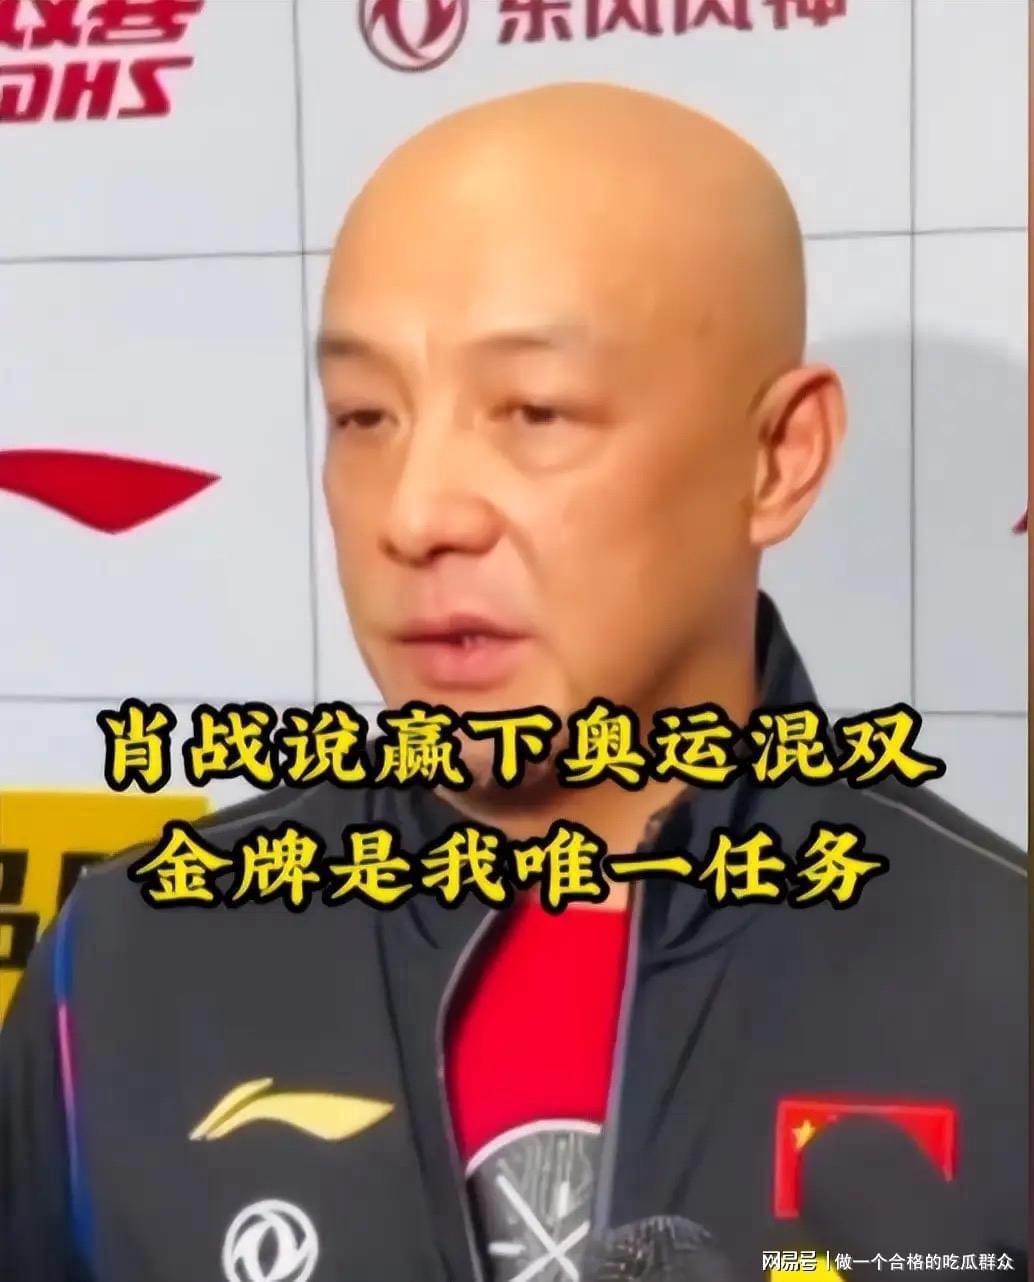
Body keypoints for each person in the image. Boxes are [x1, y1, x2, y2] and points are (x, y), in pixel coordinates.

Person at [0, 83, 1026, 1282]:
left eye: (534, 411)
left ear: (775, 458)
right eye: (364, 416)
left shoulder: (998, 987)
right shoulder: (124, 969)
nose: (415, 515)